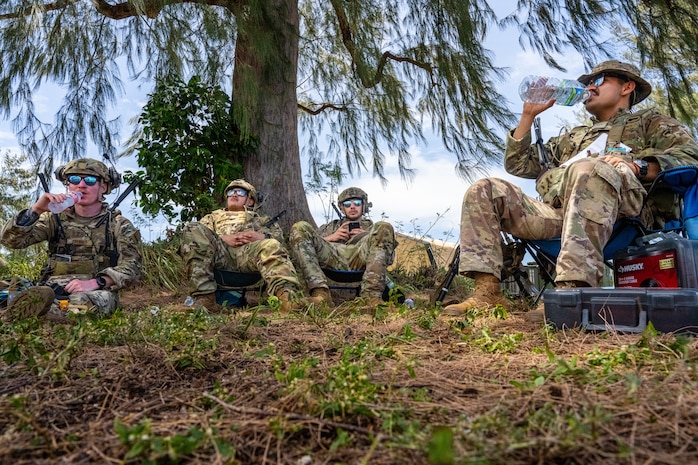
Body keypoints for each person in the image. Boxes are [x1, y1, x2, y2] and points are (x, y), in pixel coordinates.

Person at [443, 60, 698, 317]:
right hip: (561, 217)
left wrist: (638, 166)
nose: (590, 87)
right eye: (587, 83)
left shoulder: (649, 123)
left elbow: (690, 156)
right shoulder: (575, 137)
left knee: (589, 169)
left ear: (627, 87)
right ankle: (487, 293)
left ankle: (572, 294)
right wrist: (528, 116)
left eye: (598, 81)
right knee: (484, 189)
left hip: (625, 220)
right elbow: (518, 164)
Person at [1, 158, 143, 321]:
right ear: (68, 185)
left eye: (90, 180)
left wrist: (99, 282)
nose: (81, 185)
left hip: (93, 291)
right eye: (74, 179)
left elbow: (133, 267)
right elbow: (11, 241)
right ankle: (35, 307)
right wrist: (36, 210)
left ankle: (31, 310)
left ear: (103, 187)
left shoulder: (117, 224)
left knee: (86, 303)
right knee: (10, 285)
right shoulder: (53, 219)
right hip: (50, 289)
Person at [179, 179, 312, 313]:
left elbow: (279, 242)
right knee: (192, 228)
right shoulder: (211, 218)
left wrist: (261, 237)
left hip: (249, 257)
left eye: (240, 192)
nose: (234, 194)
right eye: (231, 192)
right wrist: (224, 238)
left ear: (250, 201)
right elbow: (197, 239)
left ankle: (288, 299)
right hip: (220, 256)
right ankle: (205, 299)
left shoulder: (262, 221)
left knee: (271, 244)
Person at [289, 187, 397, 308]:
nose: (352, 207)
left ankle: (371, 297)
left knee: (384, 226)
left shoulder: (376, 229)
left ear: (364, 206)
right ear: (342, 208)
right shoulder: (329, 227)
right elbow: (305, 248)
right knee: (300, 227)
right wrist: (332, 237)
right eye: (347, 204)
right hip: (332, 259)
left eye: (357, 203)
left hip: (360, 259)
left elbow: (389, 258)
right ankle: (321, 294)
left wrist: (364, 237)